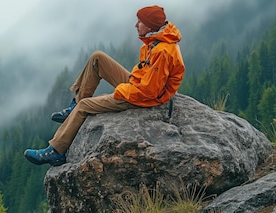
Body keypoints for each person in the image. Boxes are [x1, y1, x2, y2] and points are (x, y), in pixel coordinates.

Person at [24, 5, 185, 166]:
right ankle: (74, 109)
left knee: (84, 106)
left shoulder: (162, 51)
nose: (136, 25)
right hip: (138, 84)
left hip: (144, 97)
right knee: (97, 58)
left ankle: (56, 151)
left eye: (139, 22)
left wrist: (122, 90)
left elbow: (150, 91)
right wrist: (130, 83)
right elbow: (147, 77)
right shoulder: (156, 39)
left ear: (149, 26)